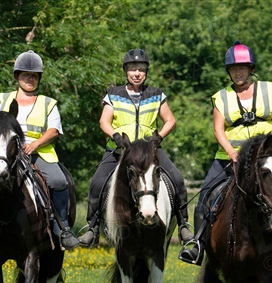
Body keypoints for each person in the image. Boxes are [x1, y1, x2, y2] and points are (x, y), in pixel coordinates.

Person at [179, 41, 272, 265]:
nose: (238, 72)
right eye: (234, 69)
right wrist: (230, 151)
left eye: (242, 68)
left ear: (251, 70)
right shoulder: (221, 97)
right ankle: (196, 245)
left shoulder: (269, 90)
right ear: (229, 72)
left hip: (266, 156)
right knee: (206, 194)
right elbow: (218, 129)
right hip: (231, 156)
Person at [0, 50, 80, 251]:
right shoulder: (0, 100)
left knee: (58, 181)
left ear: (39, 78)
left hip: (37, 152)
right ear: (16, 77)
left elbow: (54, 130)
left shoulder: (48, 103)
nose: (30, 78)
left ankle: (62, 228)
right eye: (25, 74)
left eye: (34, 75)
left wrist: (35, 144)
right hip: (0, 154)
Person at [78, 48, 192, 247]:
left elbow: (170, 120)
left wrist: (158, 138)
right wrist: (114, 136)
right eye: (132, 69)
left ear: (146, 72)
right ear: (126, 71)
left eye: (141, 69)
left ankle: (183, 225)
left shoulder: (156, 94)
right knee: (97, 182)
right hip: (120, 150)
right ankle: (92, 228)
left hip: (149, 150)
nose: (137, 73)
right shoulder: (113, 94)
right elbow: (104, 121)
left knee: (177, 179)